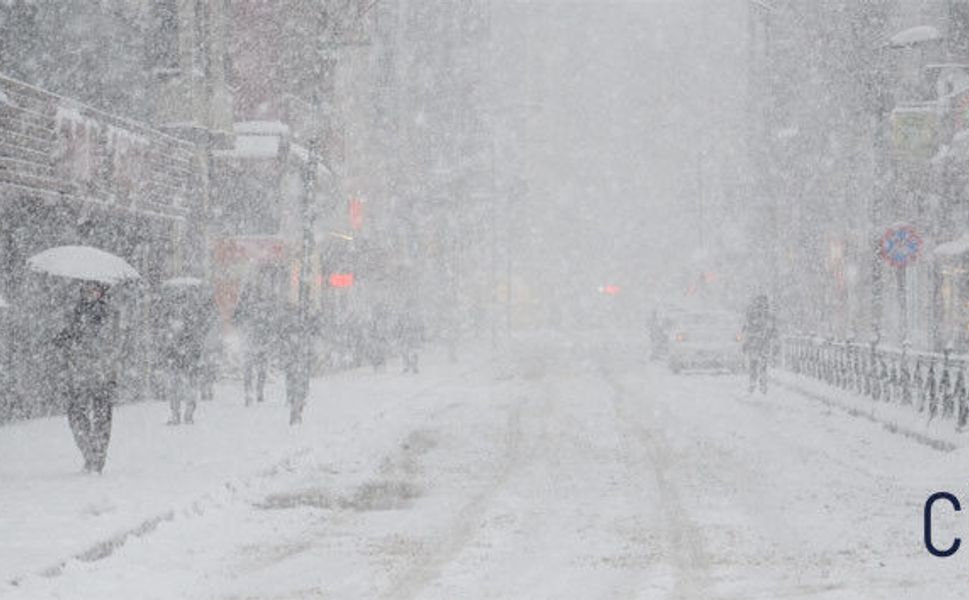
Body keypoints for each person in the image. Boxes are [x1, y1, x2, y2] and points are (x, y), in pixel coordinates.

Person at [54, 281, 124, 474]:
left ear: (102, 291)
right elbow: (67, 339)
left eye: (95, 289)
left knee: (102, 417)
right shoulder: (75, 312)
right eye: (86, 289)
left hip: (102, 373)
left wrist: (84, 337)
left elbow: (113, 343)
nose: (90, 292)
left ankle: (98, 457)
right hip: (78, 373)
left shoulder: (110, 314)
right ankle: (89, 453)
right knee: (76, 414)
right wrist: (65, 338)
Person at [233, 275, 277, 406]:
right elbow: (271, 321)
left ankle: (250, 392)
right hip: (260, 340)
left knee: (249, 368)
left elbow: (235, 320)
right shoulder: (264, 303)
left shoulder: (243, 304)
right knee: (260, 367)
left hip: (250, 339)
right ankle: (258, 390)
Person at [742, 294, 776, 394]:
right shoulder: (768, 315)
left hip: (755, 343)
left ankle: (754, 383)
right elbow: (773, 330)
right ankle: (761, 384)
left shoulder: (752, 314)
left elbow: (746, 329)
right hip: (762, 344)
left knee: (754, 364)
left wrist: (746, 342)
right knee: (762, 364)